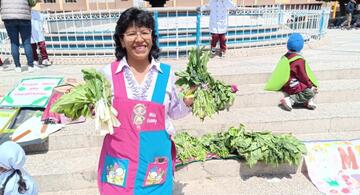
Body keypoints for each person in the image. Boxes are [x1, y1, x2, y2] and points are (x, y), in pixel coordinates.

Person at [97, 7, 194, 194]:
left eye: (144, 32)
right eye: (131, 33)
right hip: (119, 165)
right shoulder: (107, 74)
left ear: (152, 37)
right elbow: (97, 112)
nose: (139, 39)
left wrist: (188, 102)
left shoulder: (166, 74)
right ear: (121, 40)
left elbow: (174, 112)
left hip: (154, 166)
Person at [265, 33, 319, 111]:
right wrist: (310, 85)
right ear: (301, 46)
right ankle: (290, 100)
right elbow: (303, 76)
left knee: (309, 89)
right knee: (310, 92)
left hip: (286, 83)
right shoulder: (298, 60)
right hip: (293, 85)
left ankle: (308, 101)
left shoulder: (286, 56)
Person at [0, 0, 39, 73]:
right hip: (24, 17)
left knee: (14, 43)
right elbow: (32, 3)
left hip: (8, 17)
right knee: (26, 42)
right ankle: (30, 66)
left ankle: (17, 67)